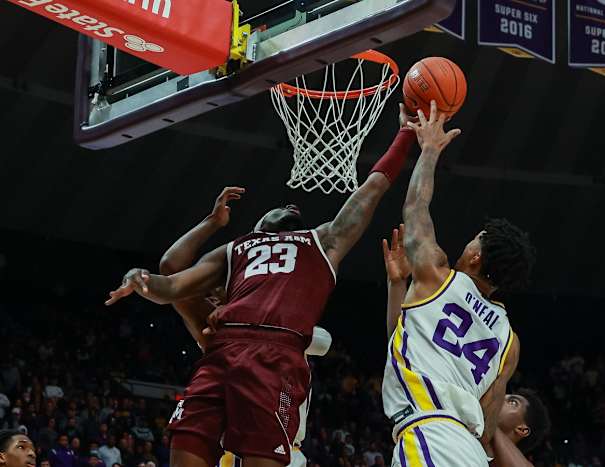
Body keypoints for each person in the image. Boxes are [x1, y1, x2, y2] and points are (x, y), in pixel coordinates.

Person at [106, 105, 418, 467]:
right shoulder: (235, 249)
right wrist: (138, 277)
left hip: (276, 356)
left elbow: (372, 188)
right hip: (223, 351)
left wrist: (406, 133)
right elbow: (171, 280)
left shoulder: (322, 241)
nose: (289, 205)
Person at [380, 101, 536, 466]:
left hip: (430, 434)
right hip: (467, 449)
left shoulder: (438, 275)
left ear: (477, 257)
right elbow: (486, 425)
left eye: (477, 238)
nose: (470, 240)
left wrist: (430, 149)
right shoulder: (509, 342)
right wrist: (397, 285)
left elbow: (416, 208)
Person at [157, 187, 334, 467]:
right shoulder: (213, 326)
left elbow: (323, 341)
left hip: (284, 451)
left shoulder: (282, 318)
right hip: (235, 451)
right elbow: (170, 269)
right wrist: (211, 223)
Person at [382, 228, 550, 467]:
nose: (503, 401)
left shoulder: (482, 433)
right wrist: (397, 284)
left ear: (523, 430)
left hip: (441, 440)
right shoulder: (475, 424)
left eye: (512, 402)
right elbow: (406, 348)